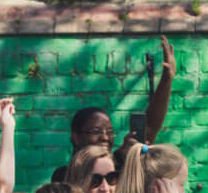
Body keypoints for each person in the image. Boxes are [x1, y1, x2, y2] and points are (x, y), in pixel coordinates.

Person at [50, 36, 178, 183]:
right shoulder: (63, 176)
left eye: (110, 132)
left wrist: (167, 79)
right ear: (75, 137)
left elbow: (149, 129)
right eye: (95, 131)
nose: (105, 137)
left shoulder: (119, 163)